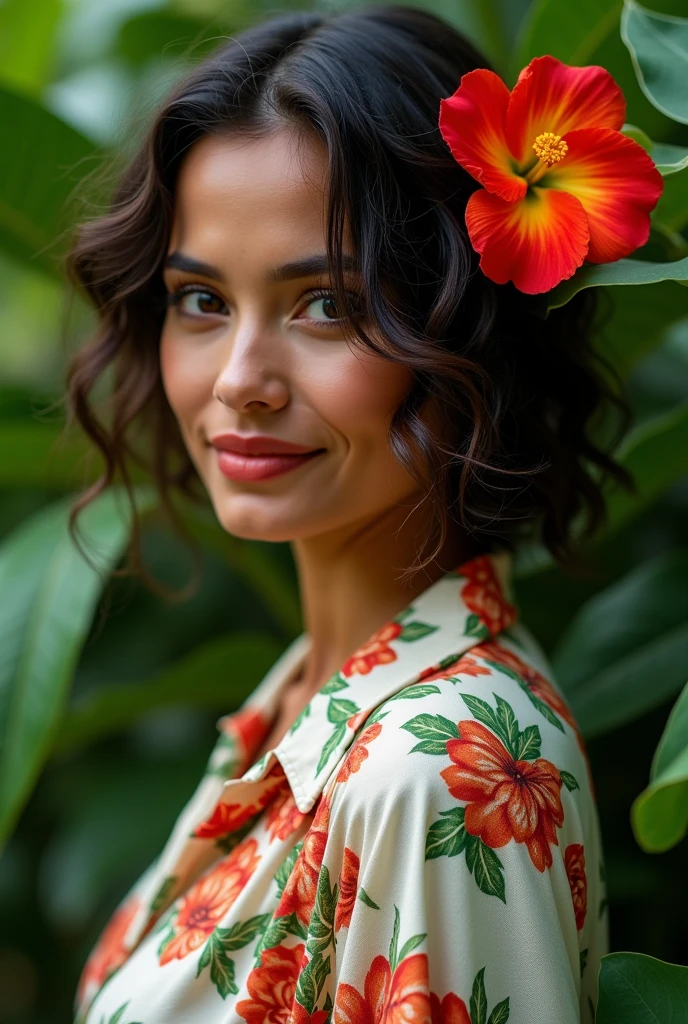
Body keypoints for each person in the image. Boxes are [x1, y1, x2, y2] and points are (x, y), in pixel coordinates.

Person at [64, 6, 632, 1022]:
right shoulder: (303, 705)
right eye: (201, 300)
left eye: (326, 304)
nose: (240, 380)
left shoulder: (438, 771)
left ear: (462, 324)